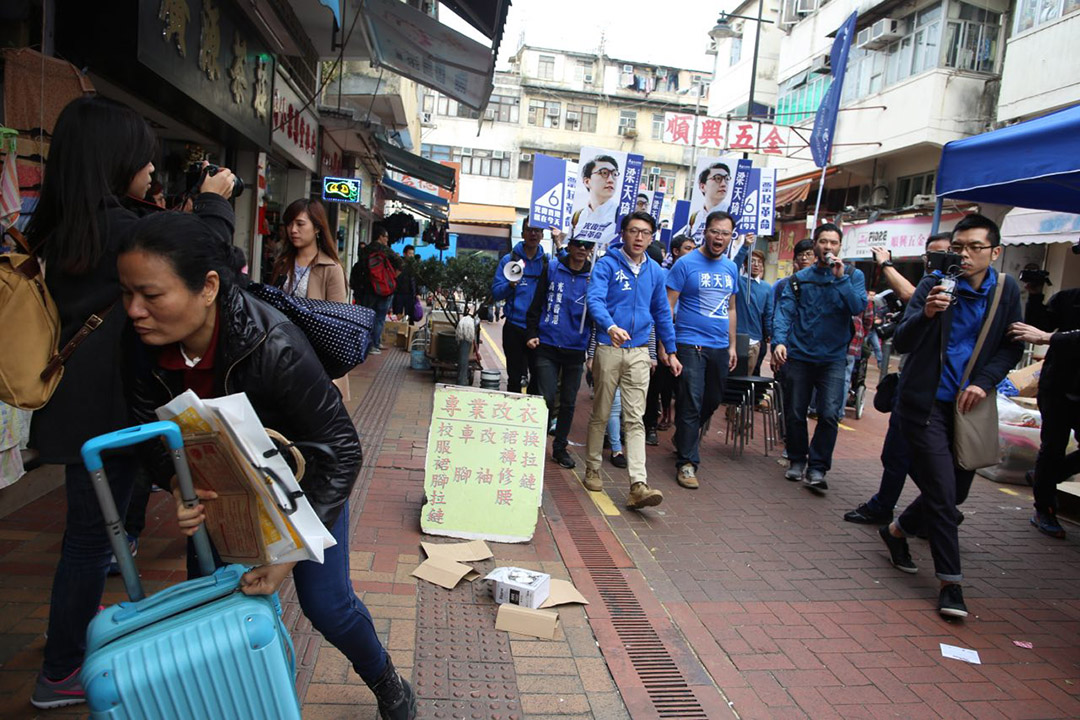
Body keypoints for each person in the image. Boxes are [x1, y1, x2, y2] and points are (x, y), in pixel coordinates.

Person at [120, 212, 415, 718]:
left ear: (208, 287)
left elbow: (342, 451)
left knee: (327, 607)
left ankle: (388, 682)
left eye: (151, 295)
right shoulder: (141, 344)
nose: (134, 310)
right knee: (217, 607)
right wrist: (174, 482)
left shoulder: (272, 344)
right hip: (222, 493)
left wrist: (288, 553)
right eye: (127, 294)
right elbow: (148, 430)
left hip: (305, 484)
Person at [25, 96, 236, 710]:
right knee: (93, 542)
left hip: (74, 406)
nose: (151, 169)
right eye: (144, 158)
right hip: (114, 410)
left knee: (91, 537)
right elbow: (209, 256)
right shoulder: (120, 230)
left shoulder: (63, 223)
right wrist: (217, 201)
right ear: (115, 159)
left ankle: (65, 652)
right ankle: (64, 667)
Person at [879, 214, 1022, 619]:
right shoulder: (933, 283)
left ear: (994, 252)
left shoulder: (1005, 291)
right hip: (924, 404)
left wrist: (985, 381)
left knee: (955, 493)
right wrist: (925, 313)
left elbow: (1010, 347)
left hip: (968, 406)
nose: (964, 254)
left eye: (975, 247)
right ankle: (951, 583)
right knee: (943, 495)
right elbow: (901, 341)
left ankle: (896, 531)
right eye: (958, 247)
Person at [844, 233, 953, 525]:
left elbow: (908, 293)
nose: (939, 262)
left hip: (946, 395)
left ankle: (938, 508)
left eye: (947, 254)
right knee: (897, 453)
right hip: (914, 386)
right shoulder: (930, 288)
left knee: (929, 461)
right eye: (933, 256)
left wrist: (887, 265)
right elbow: (905, 332)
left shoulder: (966, 290)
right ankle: (899, 507)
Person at [584, 211, 681, 509]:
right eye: (633, 231)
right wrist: (609, 326)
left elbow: (662, 312)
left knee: (635, 418)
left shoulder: (655, 272)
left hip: (640, 351)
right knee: (601, 410)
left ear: (652, 237)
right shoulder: (607, 265)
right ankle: (592, 466)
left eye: (645, 233)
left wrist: (671, 350)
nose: (639, 238)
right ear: (622, 233)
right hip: (609, 346)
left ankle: (638, 484)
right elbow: (595, 299)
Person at [772, 223, 867, 491]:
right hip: (800, 356)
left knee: (828, 414)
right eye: (823, 241)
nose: (828, 247)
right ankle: (797, 460)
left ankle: (818, 467)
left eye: (833, 243)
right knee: (795, 412)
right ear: (815, 245)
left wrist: (841, 279)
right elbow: (784, 312)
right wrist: (779, 341)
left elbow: (857, 306)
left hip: (833, 359)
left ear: (840, 246)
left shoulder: (852, 275)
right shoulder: (798, 280)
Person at [665, 212, 739, 489]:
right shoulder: (685, 264)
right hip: (689, 343)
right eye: (715, 232)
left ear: (731, 237)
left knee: (713, 399)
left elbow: (731, 308)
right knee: (690, 401)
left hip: (719, 347)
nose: (719, 238)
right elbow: (667, 306)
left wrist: (732, 346)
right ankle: (686, 463)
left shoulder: (731, 268)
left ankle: (684, 435)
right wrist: (667, 346)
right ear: (705, 233)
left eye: (725, 233)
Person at [1010, 284, 1080, 538]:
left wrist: (1050, 338)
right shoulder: (1068, 298)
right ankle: (1044, 509)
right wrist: (1036, 294)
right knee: (1052, 447)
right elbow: (1039, 325)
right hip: (1059, 387)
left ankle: (1047, 476)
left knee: (1052, 462)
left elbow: (1047, 336)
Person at [525, 236, 595, 468]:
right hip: (548, 344)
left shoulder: (594, 276)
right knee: (545, 397)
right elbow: (537, 302)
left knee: (568, 401)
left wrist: (592, 350)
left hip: (575, 349)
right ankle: (533, 442)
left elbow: (598, 315)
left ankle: (559, 447)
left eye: (588, 245)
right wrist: (532, 332)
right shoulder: (553, 268)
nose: (583, 249)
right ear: (570, 245)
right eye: (578, 244)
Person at [271, 199, 351, 399]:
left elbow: (337, 321)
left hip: (316, 358)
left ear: (317, 227)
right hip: (282, 351)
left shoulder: (331, 268)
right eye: (289, 224)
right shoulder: (282, 263)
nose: (293, 230)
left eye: (300, 224)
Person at [646, 235, 695, 441]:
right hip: (663, 336)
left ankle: (679, 428)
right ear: (675, 251)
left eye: (694, 248)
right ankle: (651, 425)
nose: (692, 252)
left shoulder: (697, 273)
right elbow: (661, 310)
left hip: (687, 337)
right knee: (657, 383)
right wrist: (662, 343)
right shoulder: (662, 274)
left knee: (684, 387)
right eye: (687, 248)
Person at [492, 218, 548, 393]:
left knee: (538, 377)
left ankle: (529, 416)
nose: (533, 234)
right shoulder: (510, 260)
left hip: (538, 329)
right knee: (514, 378)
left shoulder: (547, 262)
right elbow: (496, 292)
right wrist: (509, 285)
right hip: (514, 327)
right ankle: (512, 416)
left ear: (542, 235)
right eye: (529, 230)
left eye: (537, 230)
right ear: (522, 233)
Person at [350, 223, 403, 354]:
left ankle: (362, 344)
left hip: (367, 290)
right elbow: (401, 264)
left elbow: (359, 269)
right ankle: (375, 345)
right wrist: (390, 279)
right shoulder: (386, 251)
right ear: (380, 237)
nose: (387, 240)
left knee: (365, 317)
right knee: (379, 318)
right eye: (386, 237)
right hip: (384, 291)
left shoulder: (365, 250)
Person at [736, 249, 773, 375]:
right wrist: (745, 247)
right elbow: (734, 267)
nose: (756, 265)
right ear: (745, 264)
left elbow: (768, 313)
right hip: (736, 337)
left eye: (759, 262)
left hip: (755, 340)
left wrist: (769, 333)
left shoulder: (767, 287)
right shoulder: (738, 281)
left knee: (748, 375)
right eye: (752, 261)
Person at [569, 155, 620, 247]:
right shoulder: (577, 216)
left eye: (614, 174)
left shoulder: (621, 215)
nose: (610, 180)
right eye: (604, 173)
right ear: (587, 181)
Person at [687, 162, 732, 245]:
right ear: (702, 186)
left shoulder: (732, 214)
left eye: (726, 179)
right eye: (717, 178)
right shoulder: (695, 217)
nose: (723, 184)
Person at [391, 244, 420, 323]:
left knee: (410, 314)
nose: (411, 255)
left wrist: (417, 293)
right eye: (409, 253)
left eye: (412, 254)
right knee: (397, 313)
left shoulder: (413, 265)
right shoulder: (399, 263)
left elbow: (415, 280)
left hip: (410, 293)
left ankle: (409, 330)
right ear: (404, 253)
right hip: (398, 293)